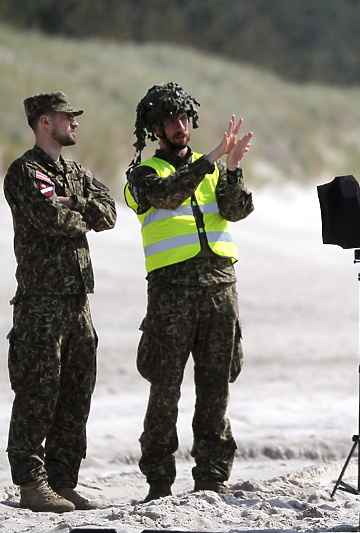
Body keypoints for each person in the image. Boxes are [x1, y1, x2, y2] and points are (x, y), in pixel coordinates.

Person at [124, 82, 254, 502]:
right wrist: (213, 158)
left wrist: (232, 169)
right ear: (156, 129)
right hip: (171, 293)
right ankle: (159, 481)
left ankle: (212, 476)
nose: (181, 127)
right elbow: (168, 194)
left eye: (185, 119)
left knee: (217, 385)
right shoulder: (143, 175)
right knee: (165, 387)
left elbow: (236, 210)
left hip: (220, 288)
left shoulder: (212, 167)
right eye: (171, 121)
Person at [3, 92, 117, 512]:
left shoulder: (74, 171)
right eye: (68, 117)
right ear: (44, 122)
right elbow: (49, 217)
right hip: (40, 300)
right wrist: (72, 210)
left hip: (77, 300)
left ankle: (63, 480)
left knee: (76, 390)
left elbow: (108, 212)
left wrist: (74, 201)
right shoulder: (23, 171)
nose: (76, 123)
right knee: (37, 390)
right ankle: (32, 483)